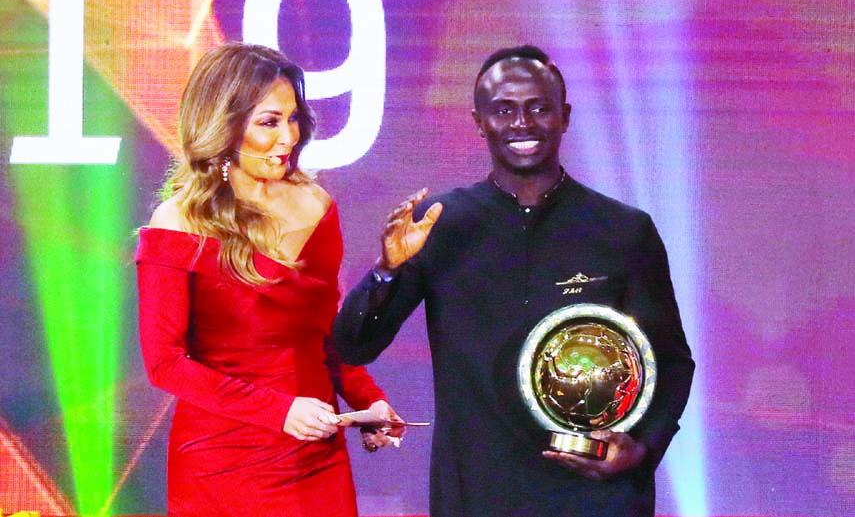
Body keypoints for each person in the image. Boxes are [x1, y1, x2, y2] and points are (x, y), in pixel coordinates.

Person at [333, 45, 695, 516]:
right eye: (503, 110)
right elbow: (353, 347)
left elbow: (670, 363)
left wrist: (642, 448)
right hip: (479, 493)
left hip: (596, 495)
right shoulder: (437, 225)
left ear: (564, 117)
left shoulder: (623, 230)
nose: (522, 123)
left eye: (538, 108)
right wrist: (387, 269)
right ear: (479, 120)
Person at [135, 42, 403, 517]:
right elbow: (165, 363)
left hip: (315, 457)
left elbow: (325, 336)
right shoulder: (177, 221)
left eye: (293, 118)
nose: (288, 138)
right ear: (224, 124)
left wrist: (368, 402)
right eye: (269, 122)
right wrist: (279, 412)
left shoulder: (316, 205)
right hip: (221, 464)